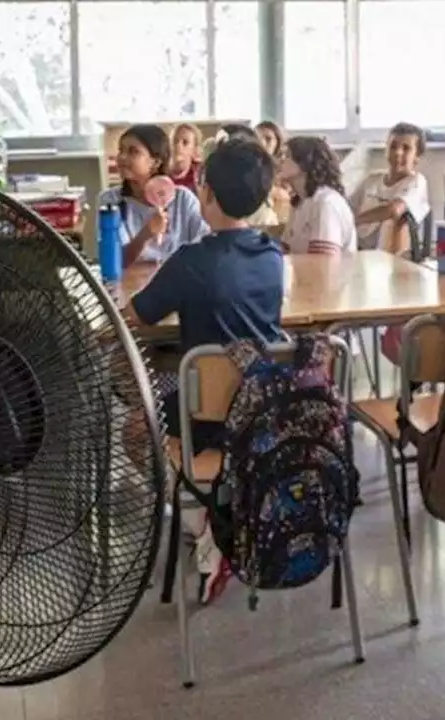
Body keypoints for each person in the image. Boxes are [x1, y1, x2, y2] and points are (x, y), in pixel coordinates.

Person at [125, 139, 284, 604]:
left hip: (206, 411)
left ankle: (205, 523)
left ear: (206, 192)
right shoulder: (272, 256)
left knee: (135, 431)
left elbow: (139, 315)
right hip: (261, 405)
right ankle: (221, 510)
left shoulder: (193, 260)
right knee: (184, 389)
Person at [98, 124, 209, 265]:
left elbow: (206, 246)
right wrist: (146, 234)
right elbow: (114, 261)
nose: (122, 157)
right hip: (131, 284)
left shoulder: (183, 199)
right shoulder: (110, 201)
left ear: (156, 162)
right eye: (121, 150)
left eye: (133, 152)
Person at [351, 122, 431, 254]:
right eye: (393, 146)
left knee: (395, 220)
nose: (398, 153)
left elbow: (394, 210)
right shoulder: (371, 179)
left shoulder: (416, 182)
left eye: (406, 148)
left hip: (393, 251)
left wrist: (355, 220)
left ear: (417, 157)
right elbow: (348, 207)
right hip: (358, 247)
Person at [279, 136, 357, 255]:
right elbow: (284, 251)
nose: (280, 160)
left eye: (287, 156)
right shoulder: (300, 202)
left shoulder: (326, 203)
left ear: (304, 164)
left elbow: (323, 263)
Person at [255, 120, 292, 222]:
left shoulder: (286, 167)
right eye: (257, 138)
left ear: (278, 143)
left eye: (268, 139)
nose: (262, 143)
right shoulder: (248, 168)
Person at [168, 123, 201, 193]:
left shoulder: (200, 175)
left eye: (185, 142)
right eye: (175, 141)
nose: (178, 145)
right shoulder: (158, 172)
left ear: (194, 149)